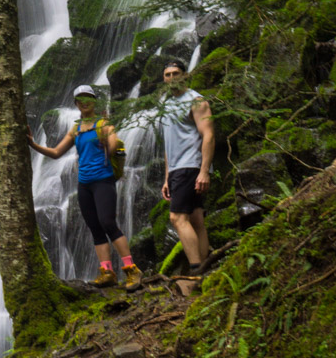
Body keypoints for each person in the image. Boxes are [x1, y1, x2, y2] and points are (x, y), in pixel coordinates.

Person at [27, 84, 143, 289]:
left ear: (94, 102)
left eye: (89, 98)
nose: (85, 102)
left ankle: (131, 270)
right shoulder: (76, 129)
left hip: (103, 181)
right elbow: (56, 153)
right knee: (95, 228)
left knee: (108, 223)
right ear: (76, 103)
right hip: (84, 184)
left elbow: (114, 144)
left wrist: (108, 138)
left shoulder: (103, 124)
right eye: (81, 99)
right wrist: (33, 144)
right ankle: (107, 272)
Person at [160, 59, 214, 286]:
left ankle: (195, 273)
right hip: (176, 170)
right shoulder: (165, 103)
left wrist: (204, 171)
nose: (172, 78)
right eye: (167, 75)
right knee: (196, 219)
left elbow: (208, 135)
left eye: (176, 73)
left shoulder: (196, 101)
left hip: (190, 166)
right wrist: (167, 177)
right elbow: (168, 143)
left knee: (177, 218)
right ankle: (204, 266)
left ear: (185, 75)